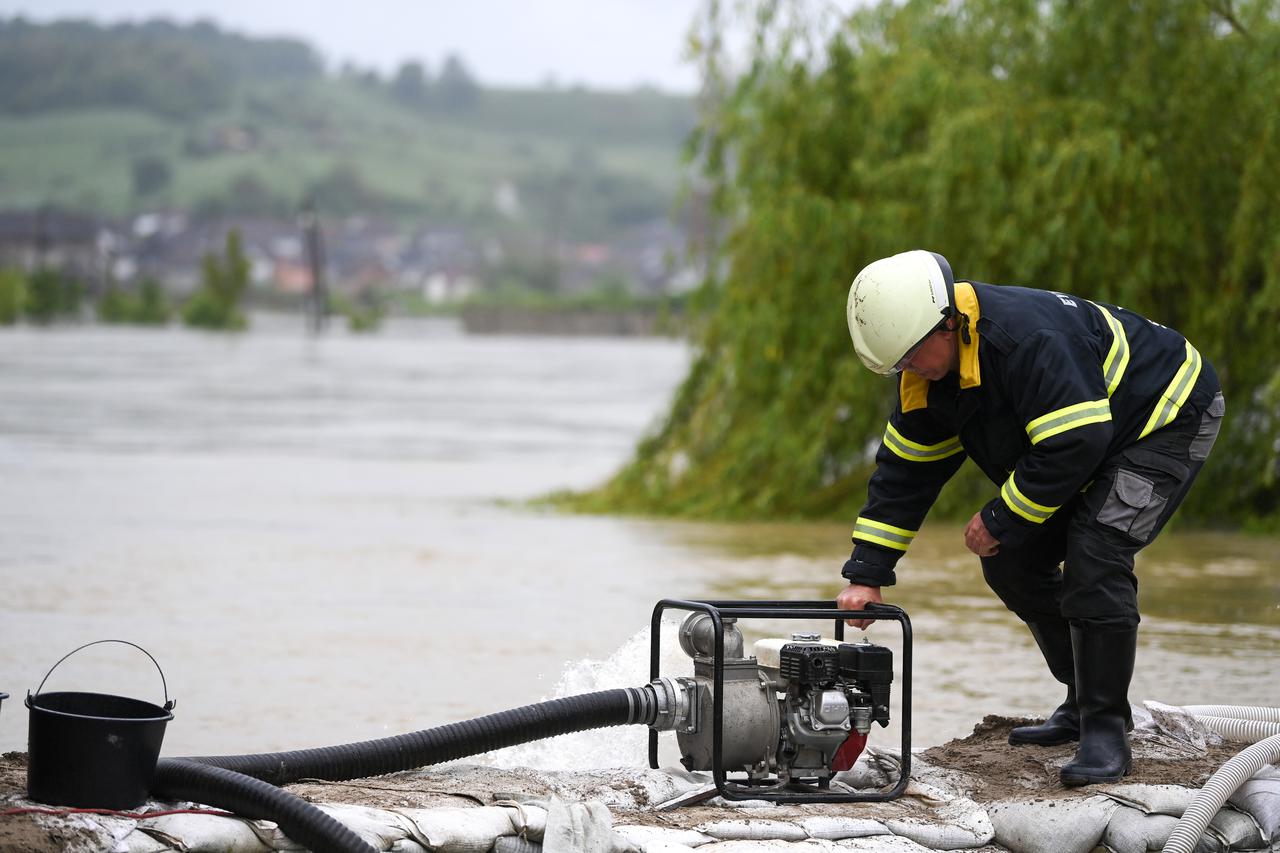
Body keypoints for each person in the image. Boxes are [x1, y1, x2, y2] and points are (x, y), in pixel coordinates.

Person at [835, 250, 1225, 786]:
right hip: (1088, 436)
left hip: (1166, 415)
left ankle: (1107, 731)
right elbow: (905, 474)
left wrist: (999, 515)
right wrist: (867, 573)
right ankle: (1081, 701)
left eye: (910, 356)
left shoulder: (1028, 339)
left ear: (948, 324)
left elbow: (1075, 442)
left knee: (1097, 552)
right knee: (1011, 560)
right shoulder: (928, 375)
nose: (907, 370)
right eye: (896, 365)